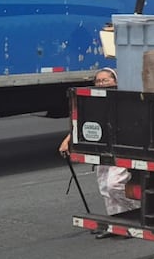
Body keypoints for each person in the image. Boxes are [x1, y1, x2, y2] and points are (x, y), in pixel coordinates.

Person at [58, 67, 137, 239]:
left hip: (121, 148)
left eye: (105, 80)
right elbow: (83, 122)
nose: (101, 84)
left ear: (115, 81)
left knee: (114, 184)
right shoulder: (93, 100)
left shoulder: (123, 98)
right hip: (102, 148)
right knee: (104, 186)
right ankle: (116, 223)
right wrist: (68, 140)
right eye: (98, 81)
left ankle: (132, 215)